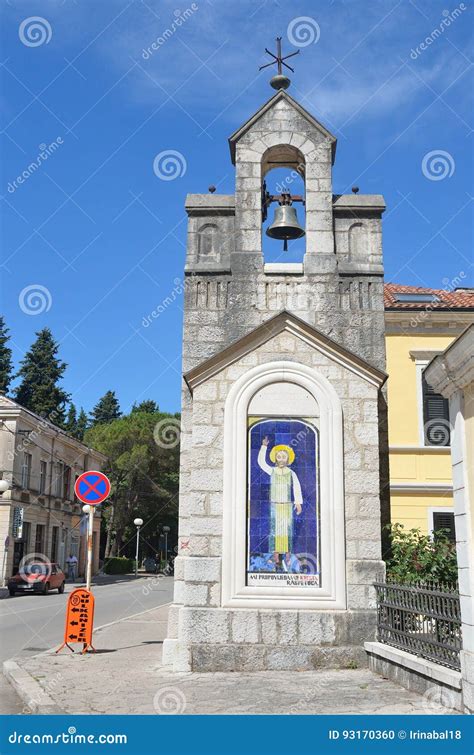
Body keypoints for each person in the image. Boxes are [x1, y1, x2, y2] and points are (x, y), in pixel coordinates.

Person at [258, 436, 303, 558]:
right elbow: (261, 463)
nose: (281, 459)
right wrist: (264, 447)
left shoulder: (291, 473)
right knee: (275, 530)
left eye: (284, 457)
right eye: (279, 457)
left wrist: (298, 502)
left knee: (287, 530)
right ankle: (276, 555)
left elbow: (297, 487)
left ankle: (288, 555)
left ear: (288, 459)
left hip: (287, 505)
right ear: (275, 459)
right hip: (275, 505)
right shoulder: (272, 471)